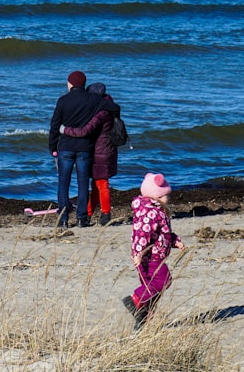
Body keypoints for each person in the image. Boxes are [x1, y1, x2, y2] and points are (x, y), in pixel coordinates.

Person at [47, 71, 111, 228]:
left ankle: (63, 220)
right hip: (85, 148)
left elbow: (55, 125)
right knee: (83, 184)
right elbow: (113, 107)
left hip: (66, 148)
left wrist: (52, 147)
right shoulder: (93, 99)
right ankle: (82, 218)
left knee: (63, 183)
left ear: (71, 84)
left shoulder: (63, 100)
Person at [122, 172, 184, 330]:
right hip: (150, 258)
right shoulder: (151, 213)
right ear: (156, 197)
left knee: (152, 290)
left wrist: (174, 241)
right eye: (165, 196)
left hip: (154, 255)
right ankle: (134, 300)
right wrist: (139, 253)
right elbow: (142, 234)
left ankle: (143, 319)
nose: (168, 199)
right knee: (163, 281)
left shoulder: (157, 212)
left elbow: (163, 233)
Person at [58, 82, 120, 226]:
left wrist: (64, 130)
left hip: (99, 151)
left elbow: (85, 131)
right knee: (96, 183)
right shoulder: (109, 106)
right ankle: (89, 213)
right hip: (107, 149)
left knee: (101, 183)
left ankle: (104, 213)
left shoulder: (101, 113)